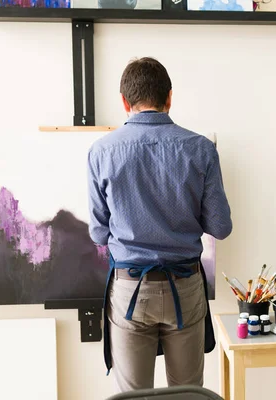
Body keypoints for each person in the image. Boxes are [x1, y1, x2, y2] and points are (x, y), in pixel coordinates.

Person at [87, 57, 232, 392]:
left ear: (124, 102)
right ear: (169, 97)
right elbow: (221, 228)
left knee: (134, 396)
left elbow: (98, 232)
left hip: (129, 291)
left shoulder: (101, 151)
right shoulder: (201, 149)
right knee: (186, 393)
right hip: (185, 286)